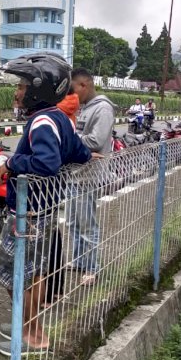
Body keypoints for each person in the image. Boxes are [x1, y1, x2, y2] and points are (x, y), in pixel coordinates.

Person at [0, 53, 94, 356]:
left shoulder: (42, 121)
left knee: (16, 272)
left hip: (30, 211)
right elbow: (82, 153)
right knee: (33, 271)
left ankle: (32, 334)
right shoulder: (60, 118)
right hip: (46, 206)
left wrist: (12, 162)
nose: (17, 91)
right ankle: (26, 325)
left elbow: (46, 163)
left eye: (23, 86)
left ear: (40, 87)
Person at [69, 68, 117, 285]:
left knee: (88, 224)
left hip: (89, 175)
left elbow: (96, 141)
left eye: (73, 89)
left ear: (83, 85)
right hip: (75, 173)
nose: (72, 94)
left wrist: (70, 138)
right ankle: (80, 260)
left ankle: (92, 267)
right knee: (72, 222)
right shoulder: (85, 107)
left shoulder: (103, 109)